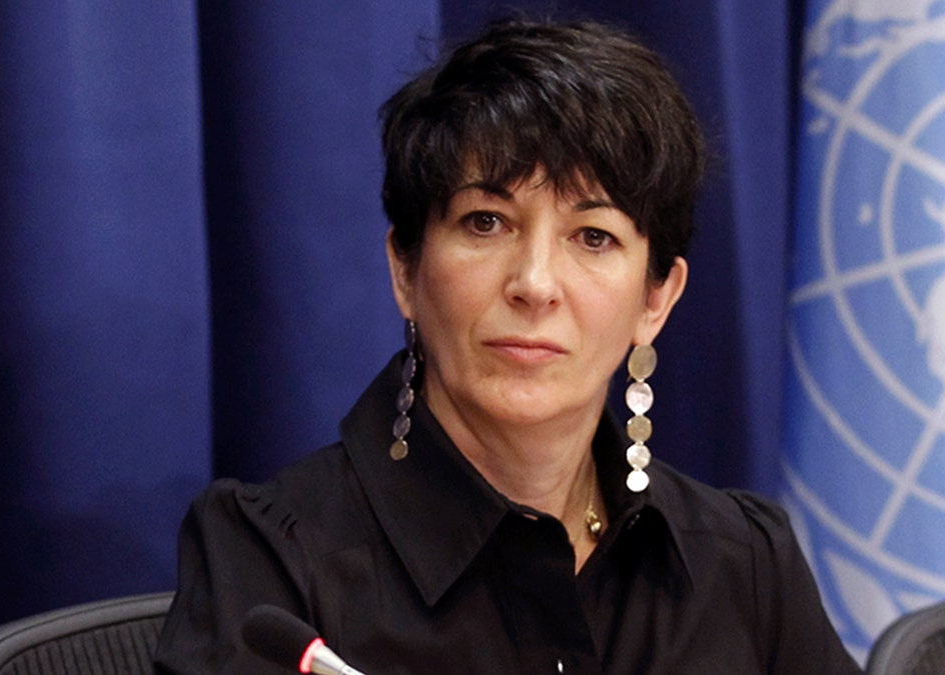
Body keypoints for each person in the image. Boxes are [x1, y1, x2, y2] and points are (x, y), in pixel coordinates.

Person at [153, 18, 860, 674]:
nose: (534, 283)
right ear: (406, 269)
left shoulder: (745, 562)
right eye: (486, 222)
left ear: (656, 299)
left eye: (593, 236)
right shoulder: (272, 561)